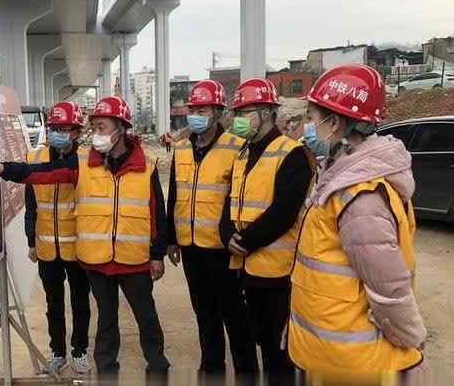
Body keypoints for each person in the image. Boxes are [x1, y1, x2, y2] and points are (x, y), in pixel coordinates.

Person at [0, 96, 171, 375]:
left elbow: (157, 214)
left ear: (121, 128)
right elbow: (42, 173)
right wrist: (5, 169)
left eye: (102, 127)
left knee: (147, 319)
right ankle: (106, 372)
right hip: (99, 260)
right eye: (95, 127)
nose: (97, 134)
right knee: (106, 322)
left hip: (134, 261)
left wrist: (157, 255)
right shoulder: (82, 162)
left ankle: (158, 367)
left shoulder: (147, 166)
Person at [288, 64, 428, 383]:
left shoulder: (359, 197)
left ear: (333, 123)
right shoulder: (339, 175)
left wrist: (410, 338)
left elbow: (389, 289)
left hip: (353, 361)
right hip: (334, 352)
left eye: (311, 119)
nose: (305, 128)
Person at [220, 78, 314, 377]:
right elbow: (229, 203)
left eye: (246, 112)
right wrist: (227, 236)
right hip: (247, 269)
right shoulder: (243, 155)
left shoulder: (292, 153)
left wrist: (245, 240)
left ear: (266, 114)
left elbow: (284, 212)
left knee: (280, 352)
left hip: (278, 273)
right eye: (237, 113)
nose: (238, 120)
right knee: (260, 340)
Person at [166, 80, 258, 375]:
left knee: (234, 316)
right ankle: (211, 369)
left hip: (222, 249)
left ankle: (246, 372)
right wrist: (171, 239)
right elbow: (175, 196)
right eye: (193, 109)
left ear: (218, 112)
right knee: (204, 314)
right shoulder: (181, 150)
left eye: (202, 108)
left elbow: (241, 197)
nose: (196, 114)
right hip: (191, 247)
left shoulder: (237, 147)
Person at [24, 101, 91, 374]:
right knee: (53, 303)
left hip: (77, 246)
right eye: (54, 128)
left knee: (80, 301)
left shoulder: (87, 160)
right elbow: (31, 204)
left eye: (64, 128)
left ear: (76, 132)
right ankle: (58, 351)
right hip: (47, 246)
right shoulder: (35, 159)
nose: (57, 133)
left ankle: (79, 350)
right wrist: (31, 241)